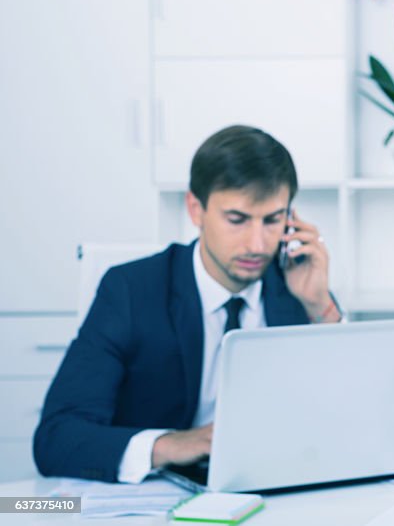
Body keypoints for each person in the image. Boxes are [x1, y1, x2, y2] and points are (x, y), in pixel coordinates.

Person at [34, 125, 342, 482]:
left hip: (273, 488)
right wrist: (172, 445)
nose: (258, 244)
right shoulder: (131, 290)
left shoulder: (298, 288)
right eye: (237, 220)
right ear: (196, 209)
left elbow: (346, 419)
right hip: (161, 496)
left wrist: (321, 307)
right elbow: (57, 438)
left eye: (273, 220)